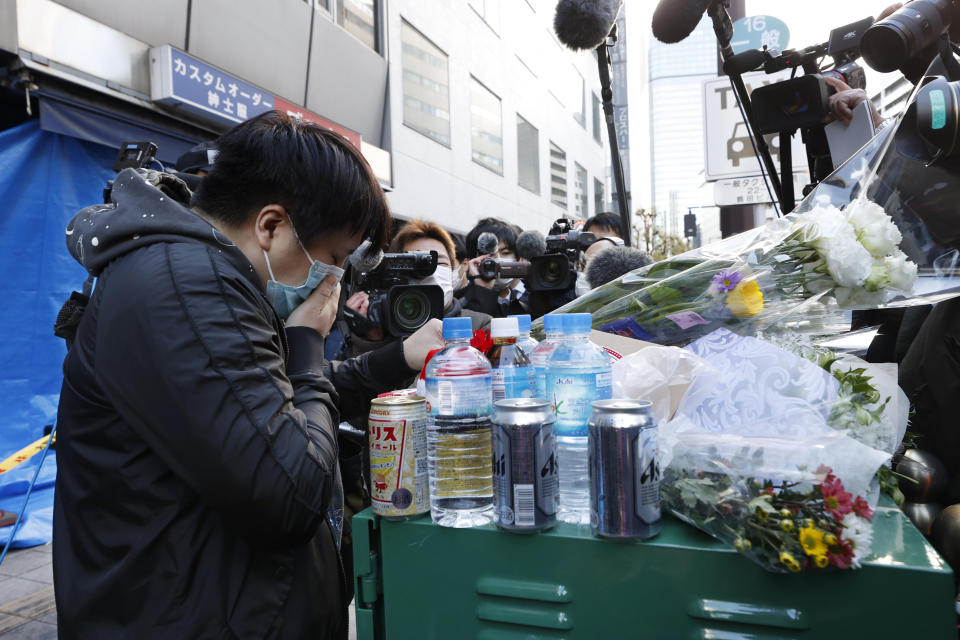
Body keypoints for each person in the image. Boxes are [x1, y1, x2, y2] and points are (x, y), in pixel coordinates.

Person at [53, 111, 442, 639]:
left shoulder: (199, 274)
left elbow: (268, 399)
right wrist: (306, 339)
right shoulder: (187, 286)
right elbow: (291, 492)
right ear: (272, 226)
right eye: (333, 257)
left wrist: (398, 360)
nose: (331, 277)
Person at [344, 218, 492, 352]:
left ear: (453, 270)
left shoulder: (480, 325)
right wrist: (372, 340)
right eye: (417, 263)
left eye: (440, 262)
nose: (430, 271)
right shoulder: (385, 329)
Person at [459, 217, 527, 317]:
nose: (498, 260)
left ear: (518, 258)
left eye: (505, 253)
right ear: (472, 260)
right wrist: (482, 291)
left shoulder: (527, 305)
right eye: (489, 254)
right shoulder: (459, 302)